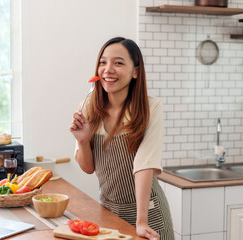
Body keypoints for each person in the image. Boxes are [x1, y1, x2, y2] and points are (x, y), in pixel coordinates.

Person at [69, 37, 174, 240]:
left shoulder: (150, 108)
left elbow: (144, 165)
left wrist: (141, 221)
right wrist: (82, 140)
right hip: (108, 212)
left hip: (148, 214)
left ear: (136, 71)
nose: (108, 69)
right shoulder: (88, 106)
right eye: (103, 62)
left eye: (118, 63)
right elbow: (88, 168)